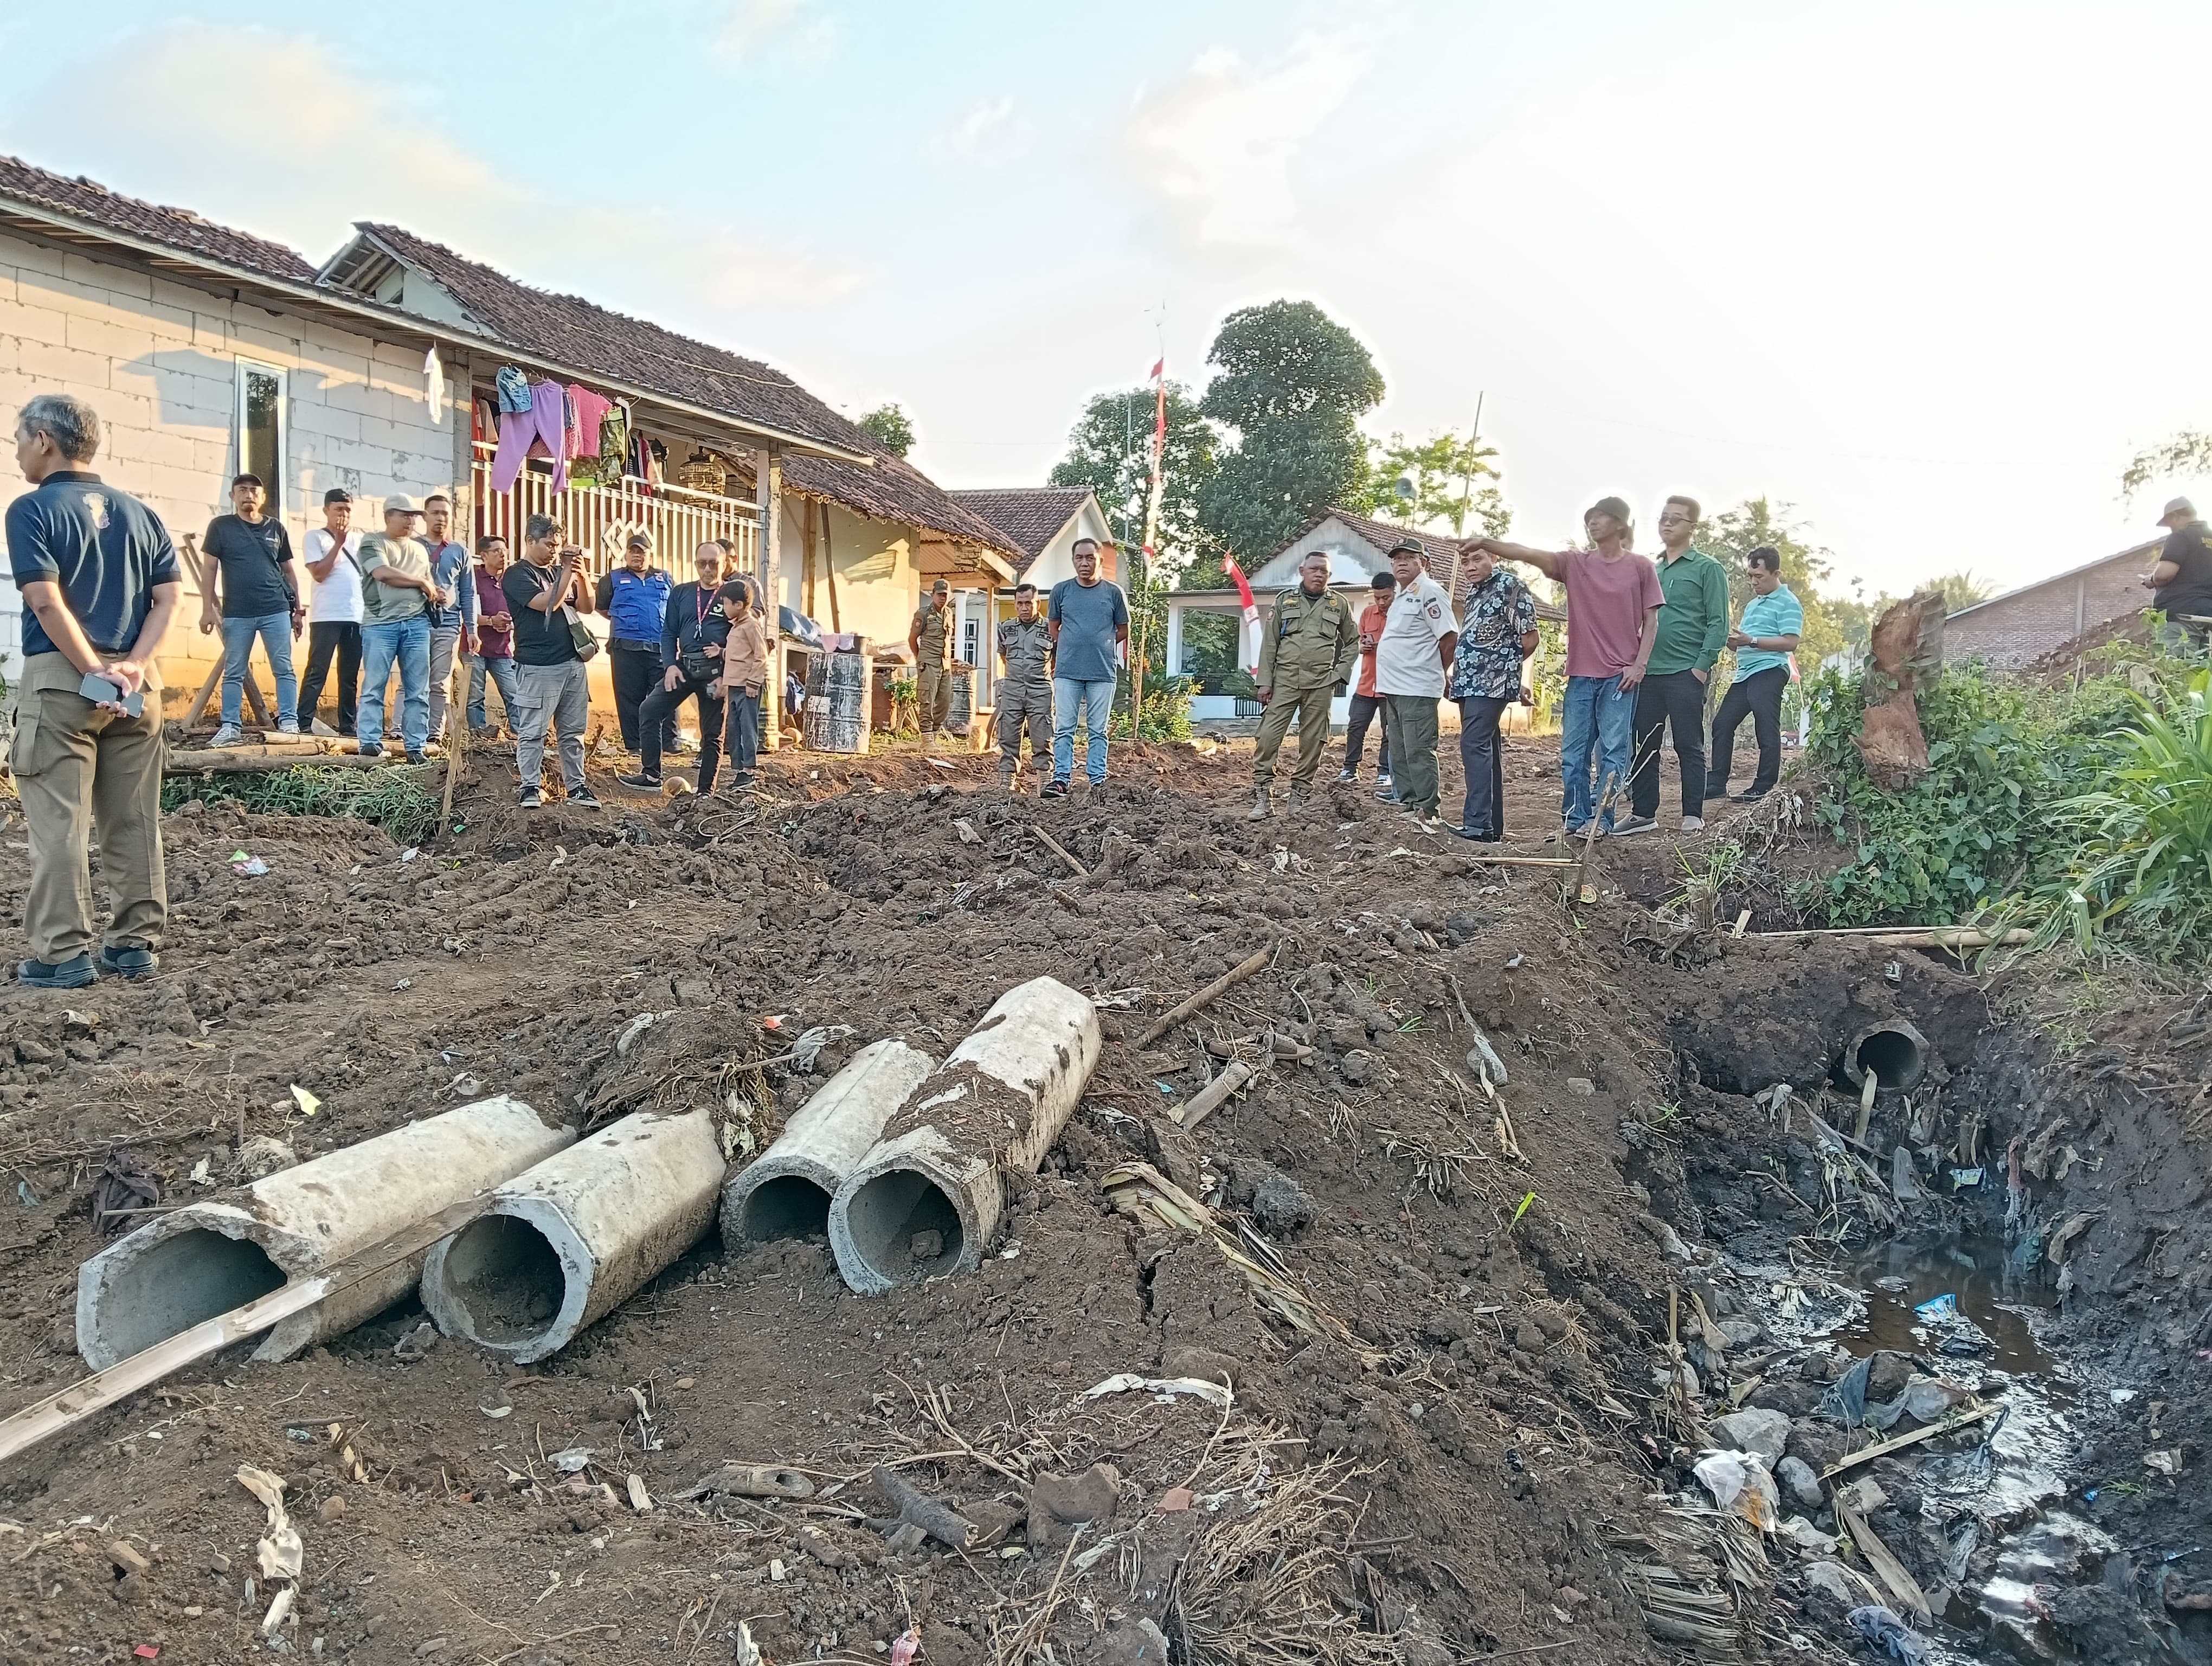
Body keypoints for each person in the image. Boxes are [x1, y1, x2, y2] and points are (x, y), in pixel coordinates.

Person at [6, 393, 181, 989]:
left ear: (45, 441)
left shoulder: (31, 511)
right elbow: (167, 599)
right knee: (134, 819)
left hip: (64, 681)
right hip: (140, 688)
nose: (19, 450)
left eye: (20, 438)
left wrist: (92, 668)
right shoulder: (142, 514)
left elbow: (44, 599)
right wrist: (131, 665)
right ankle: (134, 945)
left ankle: (62, 954)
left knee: (60, 820)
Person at [1472, 498, 1662, 837]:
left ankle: (1602, 820)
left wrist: (1640, 665)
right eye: (1589, 518)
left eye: (1600, 517)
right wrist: (1487, 543)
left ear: (1619, 524)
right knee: (1573, 753)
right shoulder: (1575, 564)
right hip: (1581, 675)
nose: (1593, 523)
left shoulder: (1640, 567)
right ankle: (1575, 819)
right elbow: (1528, 553)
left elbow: (1652, 620)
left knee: (1614, 752)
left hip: (1621, 677)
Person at [1620, 495, 1729, 835]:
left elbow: (1718, 622)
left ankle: (1692, 814)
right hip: (1649, 672)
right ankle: (1643, 813)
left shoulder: (1707, 568)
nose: (1667, 524)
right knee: (1644, 744)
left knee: (1688, 743)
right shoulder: (1652, 570)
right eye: (1664, 518)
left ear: (1692, 527)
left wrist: (1701, 665)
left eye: (1676, 519)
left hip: (1685, 672)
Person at [1248, 550, 1358, 819]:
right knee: (1267, 737)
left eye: (1324, 571)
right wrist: (1265, 682)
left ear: (1329, 576)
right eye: (1314, 570)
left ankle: (1298, 797)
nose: (1319, 575)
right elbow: (1270, 644)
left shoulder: (1339, 604)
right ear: (1302, 571)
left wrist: (1338, 674)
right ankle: (1263, 798)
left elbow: (1353, 642)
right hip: (1284, 681)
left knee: (1313, 741)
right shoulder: (1284, 601)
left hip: (1321, 684)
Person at [199, 472, 301, 746]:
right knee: (235, 670)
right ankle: (230, 726)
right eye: (242, 490)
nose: (249, 495)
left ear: (263, 497)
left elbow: (289, 570)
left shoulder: (276, 528)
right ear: (233, 496)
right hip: (237, 612)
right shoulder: (221, 527)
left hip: (276, 609)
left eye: (255, 491)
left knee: (284, 668)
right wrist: (207, 609)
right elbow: (209, 568)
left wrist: (298, 611)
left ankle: (290, 723)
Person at [505, 514, 599, 809]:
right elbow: (547, 604)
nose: (554, 551)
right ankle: (530, 786)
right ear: (530, 541)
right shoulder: (517, 575)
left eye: (558, 545)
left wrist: (582, 576)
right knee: (533, 732)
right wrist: (568, 571)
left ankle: (578, 787)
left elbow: (587, 606)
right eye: (548, 544)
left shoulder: (561, 571)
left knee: (573, 733)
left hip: (573, 664)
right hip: (537, 666)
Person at [1446, 543, 1539, 842]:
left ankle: (1475, 825)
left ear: (1493, 558)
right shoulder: (1475, 592)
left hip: (1491, 685)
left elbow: (1530, 638)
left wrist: (1502, 667)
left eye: (1477, 559)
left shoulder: (1510, 587)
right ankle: (1490, 828)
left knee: (1473, 745)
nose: (1470, 567)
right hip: (1468, 684)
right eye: (1465, 562)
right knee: (1486, 750)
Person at [621, 541, 729, 793]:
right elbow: (668, 632)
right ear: (695, 564)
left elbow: (741, 638)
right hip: (685, 667)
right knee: (649, 709)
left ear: (724, 564)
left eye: (714, 563)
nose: (708, 569)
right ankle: (651, 774)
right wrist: (670, 665)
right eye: (702, 563)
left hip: (716, 671)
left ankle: (705, 791)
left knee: (712, 732)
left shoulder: (730, 594)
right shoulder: (682, 593)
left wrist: (727, 676)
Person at [1372, 537, 1458, 828]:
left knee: (1418, 750)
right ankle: (1408, 805)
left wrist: (1437, 670)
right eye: (1397, 559)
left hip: (1417, 688)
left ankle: (1429, 811)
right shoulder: (1402, 597)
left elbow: (1448, 639)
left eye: (1410, 558)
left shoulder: (1430, 592)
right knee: (1399, 750)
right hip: (1394, 688)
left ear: (1426, 563)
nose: (1402, 563)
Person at [1707, 545, 1803, 803]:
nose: (1753, 582)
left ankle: (1764, 786)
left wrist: (1751, 641)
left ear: (1776, 573)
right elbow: (1749, 639)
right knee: (1722, 723)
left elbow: (1790, 643)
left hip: (1770, 670)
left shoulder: (1788, 603)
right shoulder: (1752, 605)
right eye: (1750, 576)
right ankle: (1717, 782)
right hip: (1745, 673)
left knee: (1766, 725)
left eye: (1759, 576)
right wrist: (1736, 642)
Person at [350, 495, 440, 762]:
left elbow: (428, 582)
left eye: (414, 516)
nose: (411, 521)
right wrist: (422, 584)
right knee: (375, 684)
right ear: (388, 516)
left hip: (417, 623)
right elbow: (382, 573)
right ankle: (369, 740)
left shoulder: (420, 550)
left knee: (418, 688)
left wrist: (435, 591)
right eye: (405, 515)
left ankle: (416, 745)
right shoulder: (373, 541)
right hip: (381, 624)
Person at [1044, 538, 1129, 799]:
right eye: (1079, 558)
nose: (1084, 563)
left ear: (1100, 560)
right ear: (1073, 561)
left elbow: (1123, 629)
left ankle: (1098, 780)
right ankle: (1060, 780)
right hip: (1068, 671)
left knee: (1098, 730)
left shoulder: (1114, 593)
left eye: (1090, 557)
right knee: (1065, 727)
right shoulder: (1061, 591)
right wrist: (1074, 645)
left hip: (1102, 672)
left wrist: (1100, 644)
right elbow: (1053, 627)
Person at [597, 531, 674, 752]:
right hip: (626, 647)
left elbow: (674, 608)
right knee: (629, 698)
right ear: (626, 554)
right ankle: (634, 745)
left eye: (642, 552)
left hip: (660, 646)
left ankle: (668, 744)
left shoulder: (665, 578)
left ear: (650, 554)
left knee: (667, 693)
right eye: (633, 551)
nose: (637, 556)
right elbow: (603, 608)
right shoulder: (611, 579)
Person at [295, 488, 361, 735]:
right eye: (338, 509)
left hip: (355, 615)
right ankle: (303, 722)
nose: (343, 515)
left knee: (349, 676)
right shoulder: (315, 537)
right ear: (326, 511)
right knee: (317, 669)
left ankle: (348, 726)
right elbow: (319, 574)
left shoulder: (360, 540)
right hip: (326, 616)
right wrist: (338, 544)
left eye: (347, 510)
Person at [420, 492, 478, 746]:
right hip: (417, 622)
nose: (441, 518)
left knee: (440, 681)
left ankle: (435, 733)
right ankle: (402, 729)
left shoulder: (459, 551)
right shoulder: (413, 546)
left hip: (449, 625)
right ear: (425, 516)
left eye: (445, 513)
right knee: (413, 678)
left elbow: (468, 592)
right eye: (435, 512)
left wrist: (472, 629)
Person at [1336, 568, 1394, 789]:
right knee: (1356, 727)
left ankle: (1385, 771)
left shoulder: (1402, 615)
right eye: (1377, 598)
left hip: (1391, 685)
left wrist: (1383, 647)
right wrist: (1363, 647)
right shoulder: (1367, 614)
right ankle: (1350, 769)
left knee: (1390, 731)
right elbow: (1357, 644)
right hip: (1366, 683)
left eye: (1386, 598)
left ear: (1395, 593)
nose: (1381, 602)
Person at [994, 581, 1053, 791]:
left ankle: (1044, 778)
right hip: (1013, 688)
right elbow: (1003, 655)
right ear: (1015, 604)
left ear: (1038, 603)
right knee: (1008, 733)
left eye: (1029, 603)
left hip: (1040, 689)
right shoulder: (1005, 628)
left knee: (1042, 735)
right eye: (1020, 603)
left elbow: (1057, 659)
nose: (1024, 608)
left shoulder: (1051, 628)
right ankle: (1007, 778)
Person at [465, 535, 521, 735]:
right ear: (483, 556)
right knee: (475, 696)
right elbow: (465, 611)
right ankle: (479, 736)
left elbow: (522, 610)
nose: (503, 555)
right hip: (474, 647)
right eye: (496, 551)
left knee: (514, 694)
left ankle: (521, 737)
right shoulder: (472, 578)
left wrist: (510, 624)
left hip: (503, 649)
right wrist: (490, 621)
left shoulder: (512, 579)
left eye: (505, 551)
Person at [716, 578, 769, 788]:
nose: (724, 608)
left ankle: (749, 771)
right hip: (734, 686)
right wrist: (720, 652)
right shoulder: (737, 626)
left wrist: (753, 683)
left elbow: (761, 656)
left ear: (738, 605)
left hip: (747, 687)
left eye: (726, 604)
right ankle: (739, 770)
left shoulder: (751, 626)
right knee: (735, 726)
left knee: (748, 728)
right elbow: (740, 653)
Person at [2146, 496, 2212, 656]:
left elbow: (2165, 574)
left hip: (2182, 617)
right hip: (2208, 616)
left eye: (2170, 525)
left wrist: (2152, 579)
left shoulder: (2181, 536)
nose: (2171, 529)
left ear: (2174, 517)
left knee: (2178, 671)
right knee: (2204, 673)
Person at [909, 577, 956, 747]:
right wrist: (920, 658)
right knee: (927, 700)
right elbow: (913, 639)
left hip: (945, 664)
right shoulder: (923, 614)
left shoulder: (949, 613)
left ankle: (934, 734)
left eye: (945, 595)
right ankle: (927, 738)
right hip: (929, 663)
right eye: (940, 594)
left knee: (945, 701)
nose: (943, 598)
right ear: (933, 595)